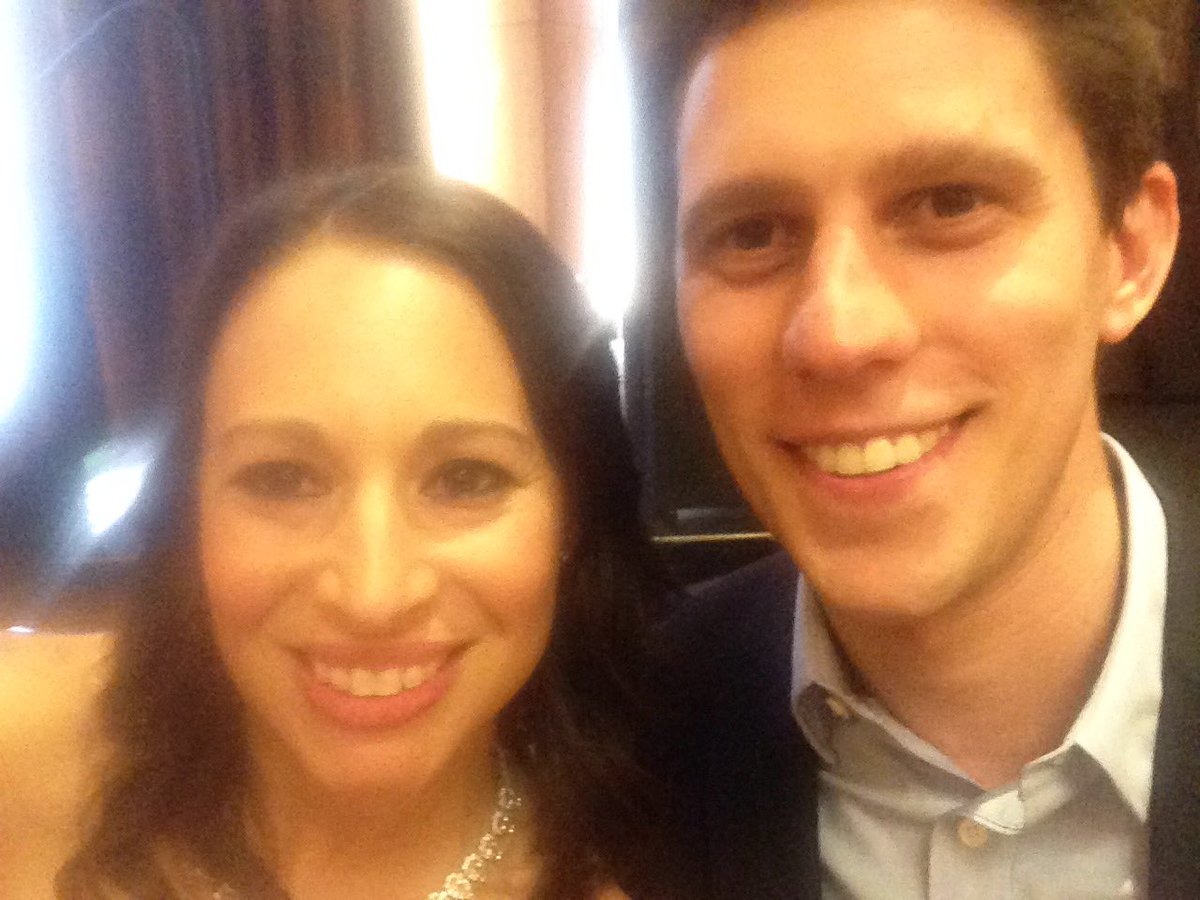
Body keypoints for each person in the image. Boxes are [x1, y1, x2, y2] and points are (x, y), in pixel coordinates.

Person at [636, 1, 1200, 897]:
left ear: (1128, 252)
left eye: (950, 203)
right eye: (753, 233)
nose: (838, 333)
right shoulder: (610, 745)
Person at [36, 167, 665, 899]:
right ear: (190, 512)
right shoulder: (27, 772)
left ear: (573, 515)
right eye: (282, 478)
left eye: (466, 478)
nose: (373, 595)